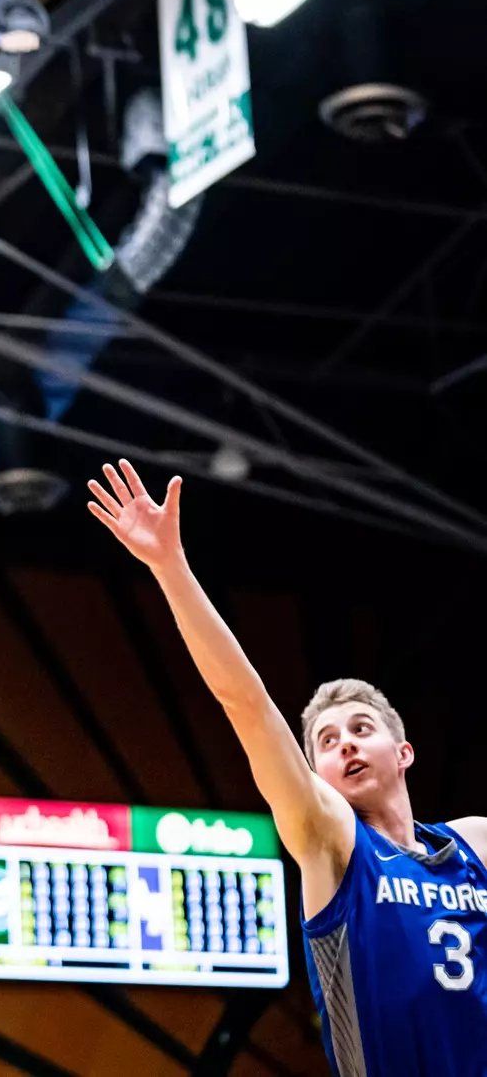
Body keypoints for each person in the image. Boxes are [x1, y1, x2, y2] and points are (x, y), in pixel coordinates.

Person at [87, 460, 487, 1075]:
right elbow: (245, 704)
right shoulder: (331, 841)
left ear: (402, 752)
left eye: (361, 729)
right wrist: (170, 568)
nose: (347, 745)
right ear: (317, 775)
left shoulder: (476, 843)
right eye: (327, 741)